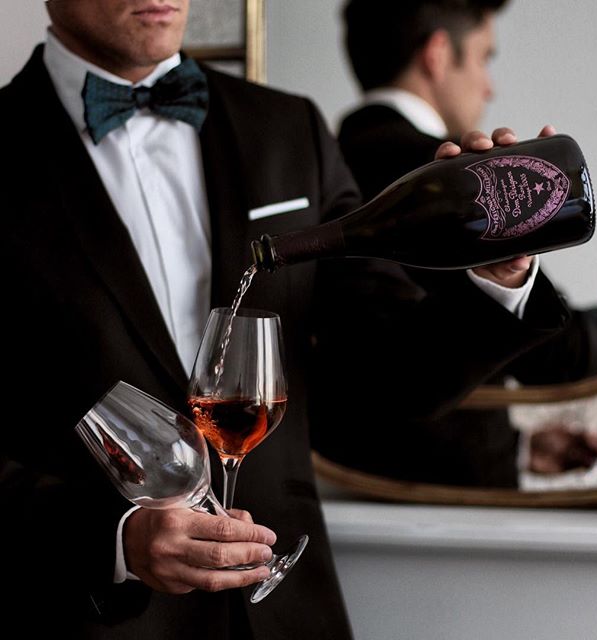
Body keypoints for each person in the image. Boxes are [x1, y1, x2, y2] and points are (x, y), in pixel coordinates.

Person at [0, 1, 361, 637]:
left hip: (289, 620)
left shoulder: (288, 126)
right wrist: (111, 540)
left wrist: (494, 277)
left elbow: (393, 362)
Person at [309, 0, 597, 488]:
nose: (489, 85)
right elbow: (562, 354)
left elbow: (389, 356)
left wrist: (519, 448)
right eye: (484, 57)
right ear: (437, 53)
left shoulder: (331, 156)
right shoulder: (432, 169)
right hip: (421, 496)